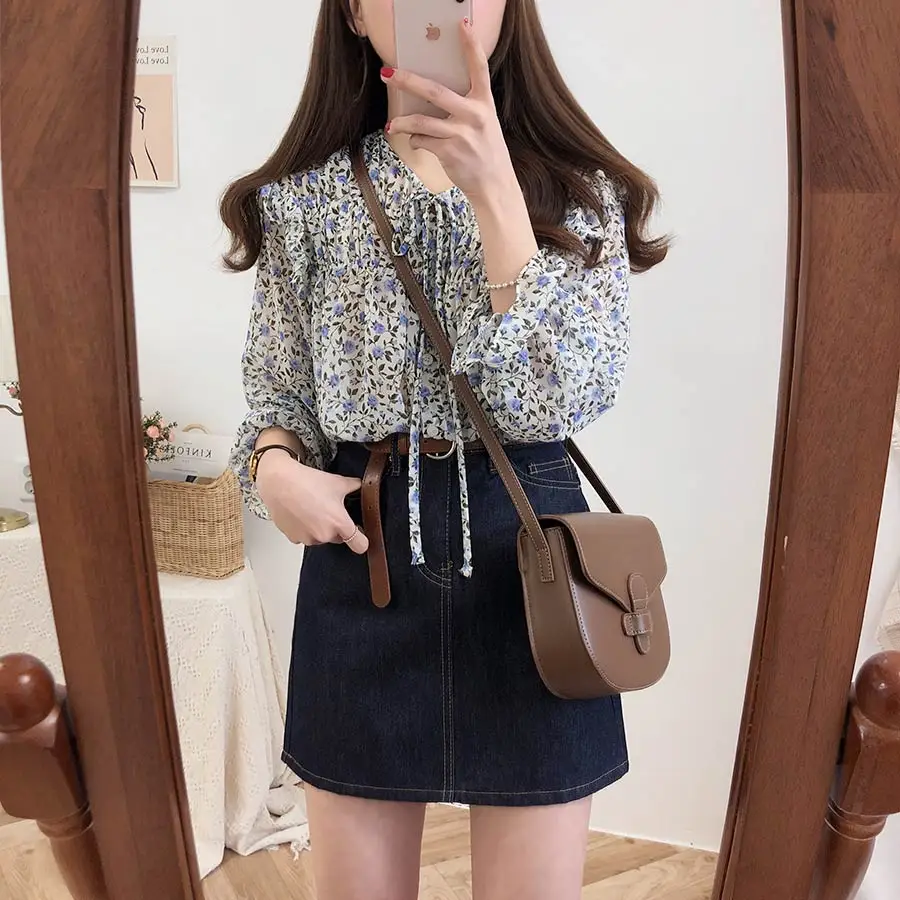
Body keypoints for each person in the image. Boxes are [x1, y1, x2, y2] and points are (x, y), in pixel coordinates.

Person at [223, 2, 667, 898]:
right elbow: (278, 395)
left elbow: (558, 401)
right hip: (364, 557)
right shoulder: (303, 199)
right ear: (355, 12)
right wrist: (273, 470)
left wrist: (497, 192)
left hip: (530, 565)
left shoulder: (582, 193)